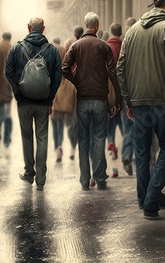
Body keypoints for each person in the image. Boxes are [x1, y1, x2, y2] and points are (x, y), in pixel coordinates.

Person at [116, 0, 165, 219]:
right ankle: (151, 199)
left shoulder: (131, 32)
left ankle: (145, 197)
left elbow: (120, 69)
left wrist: (129, 101)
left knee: (143, 151)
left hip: (139, 103)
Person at [62, 12, 122, 190]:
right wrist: (117, 98)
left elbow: (64, 69)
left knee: (84, 140)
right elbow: (112, 72)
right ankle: (100, 178)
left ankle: (84, 181)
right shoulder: (103, 47)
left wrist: (77, 81)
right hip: (100, 100)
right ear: (96, 26)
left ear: (86, 25)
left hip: (83, 99)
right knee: (99, 139)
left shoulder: (76, 46)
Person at [5, 17, 62, 191]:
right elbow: (57, 77)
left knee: (27, 137)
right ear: (43, 29)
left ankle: (29, 172)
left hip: (24, 102)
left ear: (29, 27)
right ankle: (41, 180)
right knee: (42, 138)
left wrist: (17, 92)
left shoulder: (16, 48)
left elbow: (8, 71)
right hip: (43, 103)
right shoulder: (52, 50)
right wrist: (50, 98)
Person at [50, 37, 77, 162]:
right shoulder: (73, 59)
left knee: (57, 124)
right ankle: (72, 147)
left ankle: (58, 147)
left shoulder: (53, 56)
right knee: (71, 125)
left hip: (57, 96)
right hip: (70, 97)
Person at [63, 25, 84, 160]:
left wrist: (72, 80)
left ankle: (73, 147)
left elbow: (65, 68)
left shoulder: (70, 45)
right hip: (87, 89)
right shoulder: (94, 44)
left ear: (75, 34)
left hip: (73, 90)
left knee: (72, 122)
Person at [120, 17, 137, 175]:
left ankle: (126, 155)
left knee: (127, 128)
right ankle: (136, 158)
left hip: (125, 93)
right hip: (139, 92)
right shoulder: (140, 41)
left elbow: (120, 70)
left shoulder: (123, 43)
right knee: (138, 128)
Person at [105, 23, 123, 161]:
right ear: (121, 32)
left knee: (110, 120)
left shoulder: (105, 47)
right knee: (124, 122)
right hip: (123, 88)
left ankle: (111, 141)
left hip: (109, 89)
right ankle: (127, 148)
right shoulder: (124, 46)